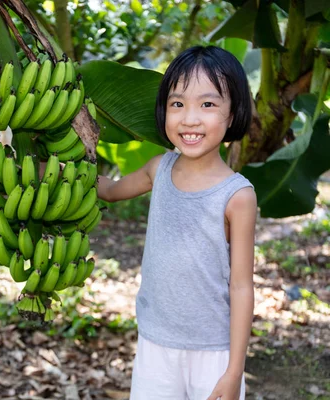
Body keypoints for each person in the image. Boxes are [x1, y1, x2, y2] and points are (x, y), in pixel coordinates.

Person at [98, 46, 257, 400]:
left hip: (213, 351)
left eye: (208, 104)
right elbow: (109, 191)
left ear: (233, 115)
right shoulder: (159, 168)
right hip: (156, 343)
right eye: (178, 104)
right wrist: (57, 171)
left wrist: (234, 372)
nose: (190, 119)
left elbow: (242, 287)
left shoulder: (237, 196)